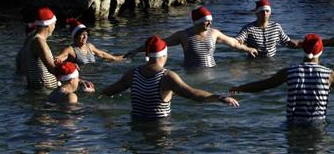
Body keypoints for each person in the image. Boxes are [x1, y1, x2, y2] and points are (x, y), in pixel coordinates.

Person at [230, 34, 334, 125]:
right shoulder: (329, 75)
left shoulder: (289, 72)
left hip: (292, 125)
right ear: (321, 51)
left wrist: (240, 88)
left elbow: (264, 85)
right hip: (317, 126)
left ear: (303, 50)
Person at [102, 35, 240, 119]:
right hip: (160, 128)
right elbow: (193, 94)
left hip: (135, 125)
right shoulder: (167, 77)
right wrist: (221, 98)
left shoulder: (133, 73)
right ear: (164, 55)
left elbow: (108, 92)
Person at [125, 6, 258, 67]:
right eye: (206, 20)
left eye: (210, 20)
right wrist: (136, 50)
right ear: (198, 21)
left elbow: (234, 43)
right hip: (191, 73)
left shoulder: (214, 33)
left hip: (212, 71)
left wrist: (248, 49)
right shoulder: (184, 35)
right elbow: (159, 44)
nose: (210, 23)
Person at [235, 0, 300, 58]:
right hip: (254, 62)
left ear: (270, 13)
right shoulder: (248, 28)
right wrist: (246, 48)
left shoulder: (276, 27)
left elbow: (287, 42)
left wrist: (304, 44)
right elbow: (237, 42)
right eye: (262, 11)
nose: (265, 13)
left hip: (271, 61)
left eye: (267, 11)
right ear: (257, 13)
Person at [56, 18, 124, 65]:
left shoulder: (89, 46)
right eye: (82, 35)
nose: (85, 37)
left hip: (94, 76)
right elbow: (59, 59)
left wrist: (115, 58)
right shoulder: (70, 50)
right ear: (75, 36)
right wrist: (64, 63)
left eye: (86, 34)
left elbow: (102, 54)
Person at [24, 7, 60, 90]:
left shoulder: (30, 38)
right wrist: (72, 71)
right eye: (54, 24)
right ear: (48, 25)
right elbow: (52, 69)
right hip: (44, 89)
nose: (54, 27)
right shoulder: (39, 42)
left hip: (34, 86)